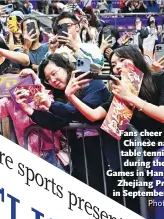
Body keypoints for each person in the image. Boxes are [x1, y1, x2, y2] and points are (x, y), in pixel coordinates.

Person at [16, 53, 110, 193]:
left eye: (54, 73)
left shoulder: (92, 82)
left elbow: (83, 113)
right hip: (79, 151)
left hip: (105, 149)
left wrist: (52, 103)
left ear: (66, 67)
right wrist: (28, 109)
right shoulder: (59, 96)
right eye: (48, 78)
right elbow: (57, 122)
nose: (53, 80)